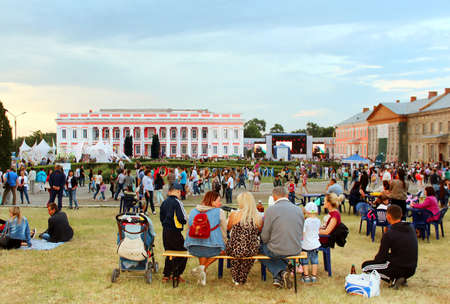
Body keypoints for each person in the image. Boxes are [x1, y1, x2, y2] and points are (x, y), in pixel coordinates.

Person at [362, 205, 417, 289]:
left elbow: (381, 257)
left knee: (365, 267)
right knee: (391, 257)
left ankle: (394, 278)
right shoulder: (411, 227)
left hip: (398, 267)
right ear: (401, 215)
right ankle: (402, 277)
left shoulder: (389, 234)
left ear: (388, 217)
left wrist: (376, 262)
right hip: (412, 269)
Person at [260, 186, 304, 289]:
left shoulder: (271, 210)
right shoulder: (298, 210)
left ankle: (280, 271)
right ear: (287, 195)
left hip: (277, 250)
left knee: (259, 248)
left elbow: (265, 237)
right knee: (273, 248)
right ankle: (280, 274)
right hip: (296, 248)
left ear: (274, 197)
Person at [185, 191, 227, 286]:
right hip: (212, 247)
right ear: (212, 201)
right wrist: (225, 242)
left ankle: (202, 275)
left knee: (202, 248)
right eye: (218, 201)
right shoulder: (219, 212)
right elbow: (224, 230)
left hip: (193, 246)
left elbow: (189, 227)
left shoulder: (193, 211)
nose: (220, 203)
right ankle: (203, 268)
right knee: (223, 250)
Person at [226, 192, 263, 285]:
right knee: (246, 257)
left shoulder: (234, 215)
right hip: (251, 249)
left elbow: (228, 228)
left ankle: (236, 277)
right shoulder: (258, 217)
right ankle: (242, 277)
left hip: (235, 248)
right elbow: (259, 231)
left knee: (236, 255)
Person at [160, 183, 188, 284]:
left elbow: (161, 217)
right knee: (183, 253)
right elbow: (182, 218)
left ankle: (166, 275)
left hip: (165, 231)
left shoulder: (164, 202)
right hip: (175, 232)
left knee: (170, 253)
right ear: (176, 191)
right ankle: (176, 274)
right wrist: (184, 222)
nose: (181, 194)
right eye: (180, 191)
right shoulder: (177, 202)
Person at [301, 202, 321, 283]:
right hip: (315, 244)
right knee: (314, 260)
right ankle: (314, 276)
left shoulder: (306, 221)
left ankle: (306, 277)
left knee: (305, 261)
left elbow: (303, 233)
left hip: (306, 244)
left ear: (307, 211)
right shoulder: (318, 221)